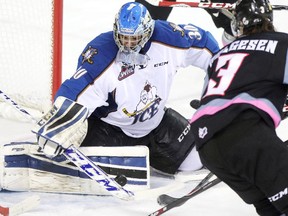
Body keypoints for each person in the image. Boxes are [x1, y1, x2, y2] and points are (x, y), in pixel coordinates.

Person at [35, 1, 219, 178]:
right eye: (124, 37)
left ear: (148, 32)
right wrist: (58, 124)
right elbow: (75, 89)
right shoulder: (102, 54)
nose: (128, 44)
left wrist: (216, 94)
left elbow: (209, 47)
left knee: (198, 160)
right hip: (109, 130)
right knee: (77, 167)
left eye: (134, 38)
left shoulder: (170, 39)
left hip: (156, 124)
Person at [189, 0, 288, 215]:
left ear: (237, 24)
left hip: (207, 146)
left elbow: (212, 96)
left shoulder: (219, 55)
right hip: (246, 135)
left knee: (269, 206)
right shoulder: (282, 43)